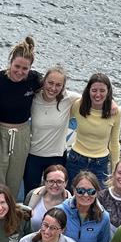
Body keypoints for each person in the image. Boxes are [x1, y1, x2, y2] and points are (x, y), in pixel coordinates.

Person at [0, 36, 41, 200]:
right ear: (10, 62)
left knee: (14, 180)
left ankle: (9, 215)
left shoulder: (34, 79)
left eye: (25, 68)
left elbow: (54, 89)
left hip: (22, 132)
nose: (20, 72)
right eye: (17, 66)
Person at [23, 66, 80, 194]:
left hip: (57, 156)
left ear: (63, 87)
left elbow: (92, 99)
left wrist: (113, 105)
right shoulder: (34, 97)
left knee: (55, 194)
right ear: (44, 81)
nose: (53, 88)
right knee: (31, 193)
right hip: (34, 155)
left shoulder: (69, 98)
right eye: (50, 83)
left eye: (58, 85)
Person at [66, 73, 121, 186]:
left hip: (100, 163)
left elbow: (114, 143)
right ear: (88, 90)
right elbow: (63, 97)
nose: (98, 94)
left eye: (102, 91)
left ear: (108, 91)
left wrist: (115, 169)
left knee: (98, 197)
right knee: (72, 195)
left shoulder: (116, 112)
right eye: (94, 90)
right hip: (76, 159)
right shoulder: (78, 105)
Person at [23, 165, 71, 231]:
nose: (55, 185)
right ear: (45, 182)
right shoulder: (32, 195)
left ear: (66, 183)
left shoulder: (71, 204)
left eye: (59, 182)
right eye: (51, 181)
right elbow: (23, 222)